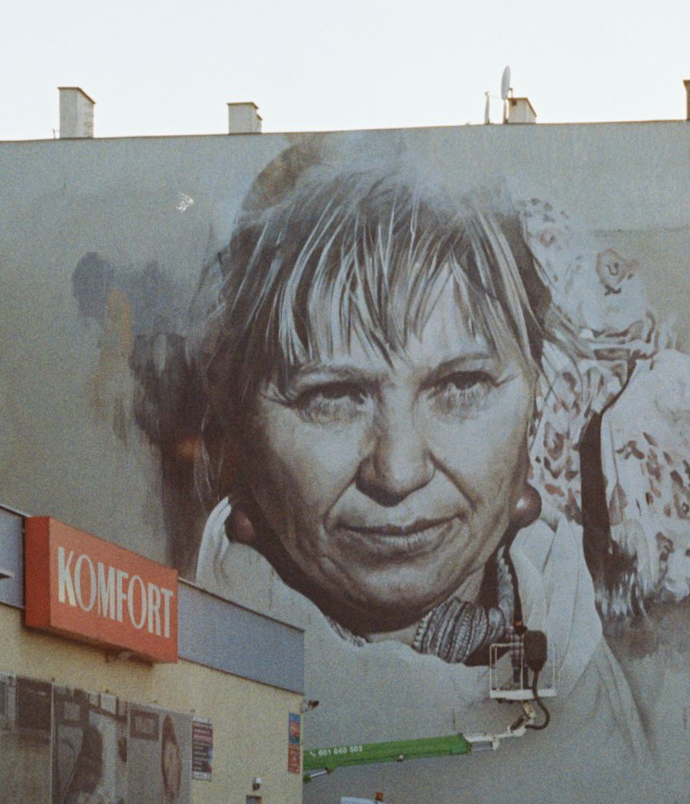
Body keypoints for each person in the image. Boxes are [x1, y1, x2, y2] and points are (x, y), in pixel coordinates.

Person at [192, 141, 641, 741]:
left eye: (460, 385)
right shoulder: (200, 690)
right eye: (330, 397)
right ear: (237, 426)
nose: (398, 471)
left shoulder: (591, 674)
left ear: (539, 399)